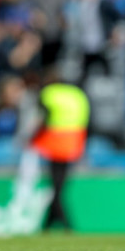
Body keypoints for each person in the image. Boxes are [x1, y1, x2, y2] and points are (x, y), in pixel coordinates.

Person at [30, 71, 90, 232]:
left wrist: (33, 138)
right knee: (59, 185)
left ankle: (66, 224)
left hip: (55, 141)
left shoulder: (48, 93)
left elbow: (44, 118)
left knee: (56, 186)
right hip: (74, 141)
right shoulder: (77, 94)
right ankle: (48, 225)